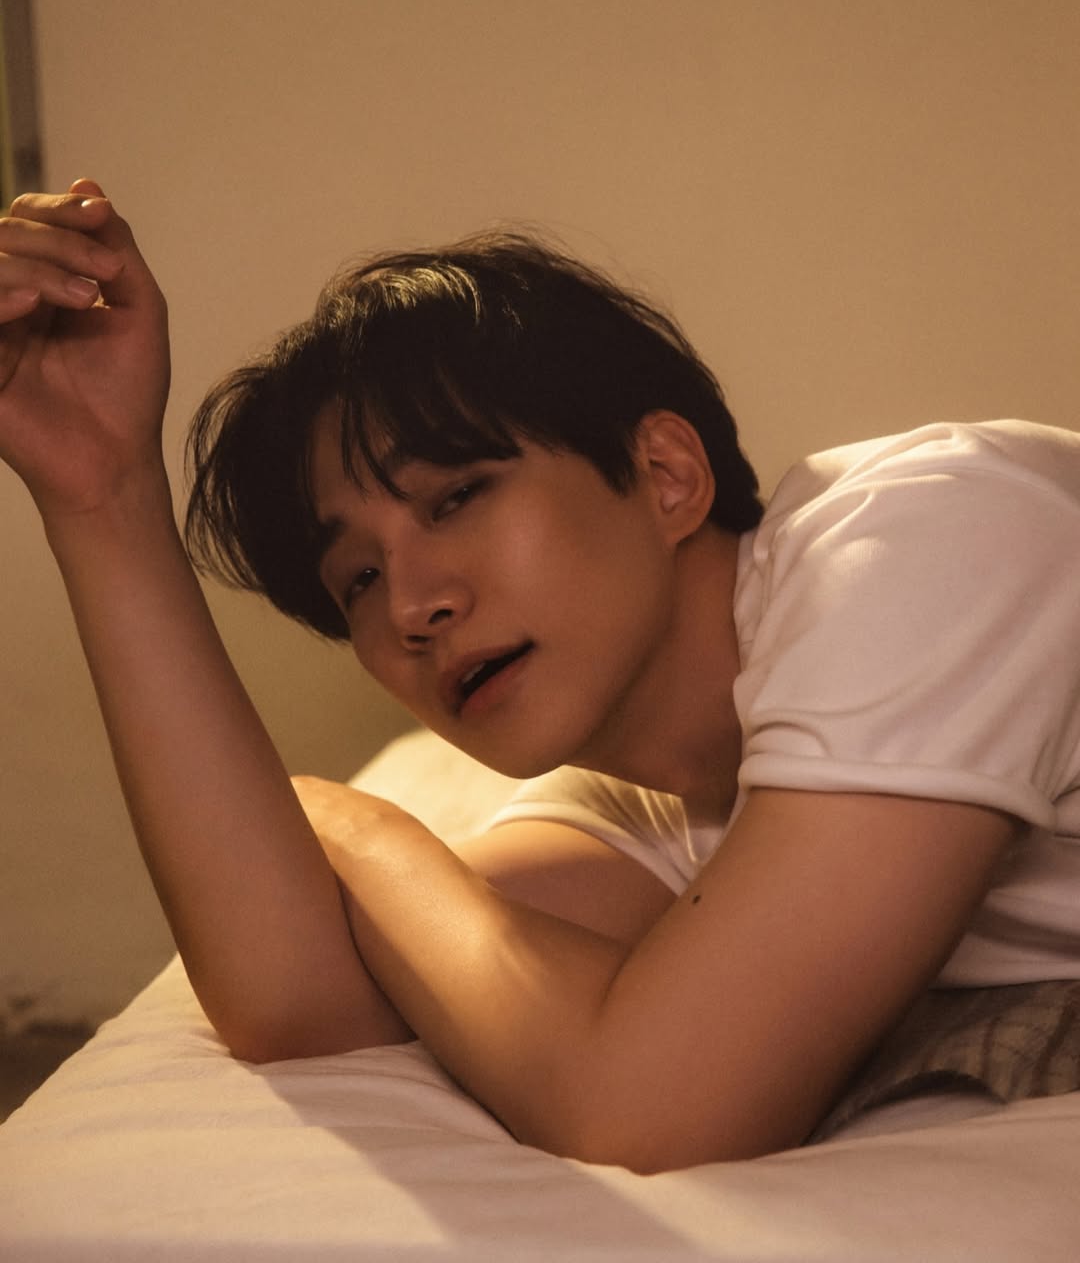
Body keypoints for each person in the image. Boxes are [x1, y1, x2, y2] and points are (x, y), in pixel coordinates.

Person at [1, 181, 1078, 1175]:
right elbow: (298, 995)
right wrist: (102, 494)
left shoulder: (927, 534)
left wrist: (348, 825)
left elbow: (655, 1110)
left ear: (666, 474)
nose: (411, 606)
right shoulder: (654, 808)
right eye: (359, 578)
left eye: (456, 498)